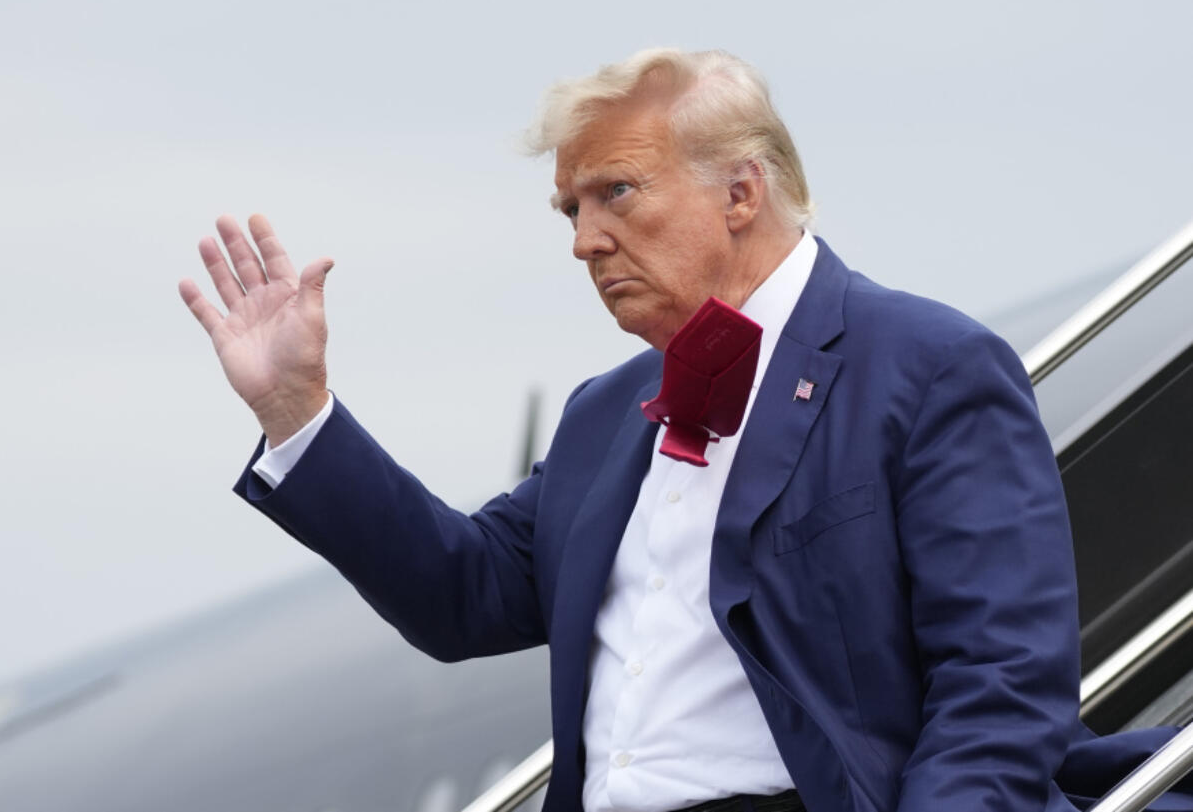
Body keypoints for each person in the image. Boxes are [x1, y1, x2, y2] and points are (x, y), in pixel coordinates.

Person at [179, 49, 1186, 812]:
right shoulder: (603, 413)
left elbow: (1000, 683)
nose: (582, 240)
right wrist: (295, 409)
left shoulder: (924, 366)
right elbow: (462, 595)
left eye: (614, 191)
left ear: (739, 192)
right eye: (567, 208)